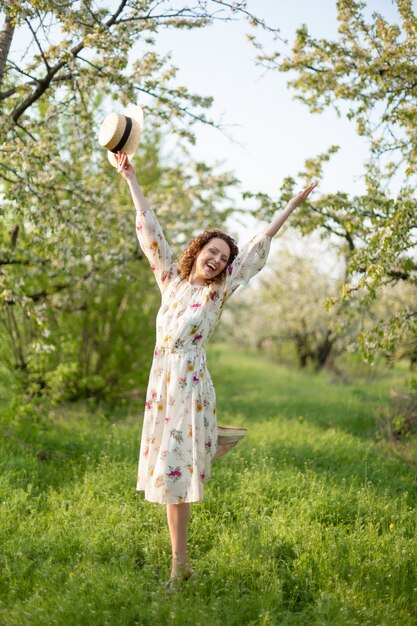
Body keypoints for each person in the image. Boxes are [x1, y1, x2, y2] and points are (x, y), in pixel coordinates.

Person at [115, 150, 316, 586]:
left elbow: (259, 245)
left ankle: (177, 569)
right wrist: (131, 177)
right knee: (171, 473)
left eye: (224, 257)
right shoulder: (171, 281)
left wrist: (292, 205)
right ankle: (211, 440)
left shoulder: (218, 293)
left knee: (174, 477)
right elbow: (151, 231)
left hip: (189, 386)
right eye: (213, 251)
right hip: (161, 386)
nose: (218, 260)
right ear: (199, 250)